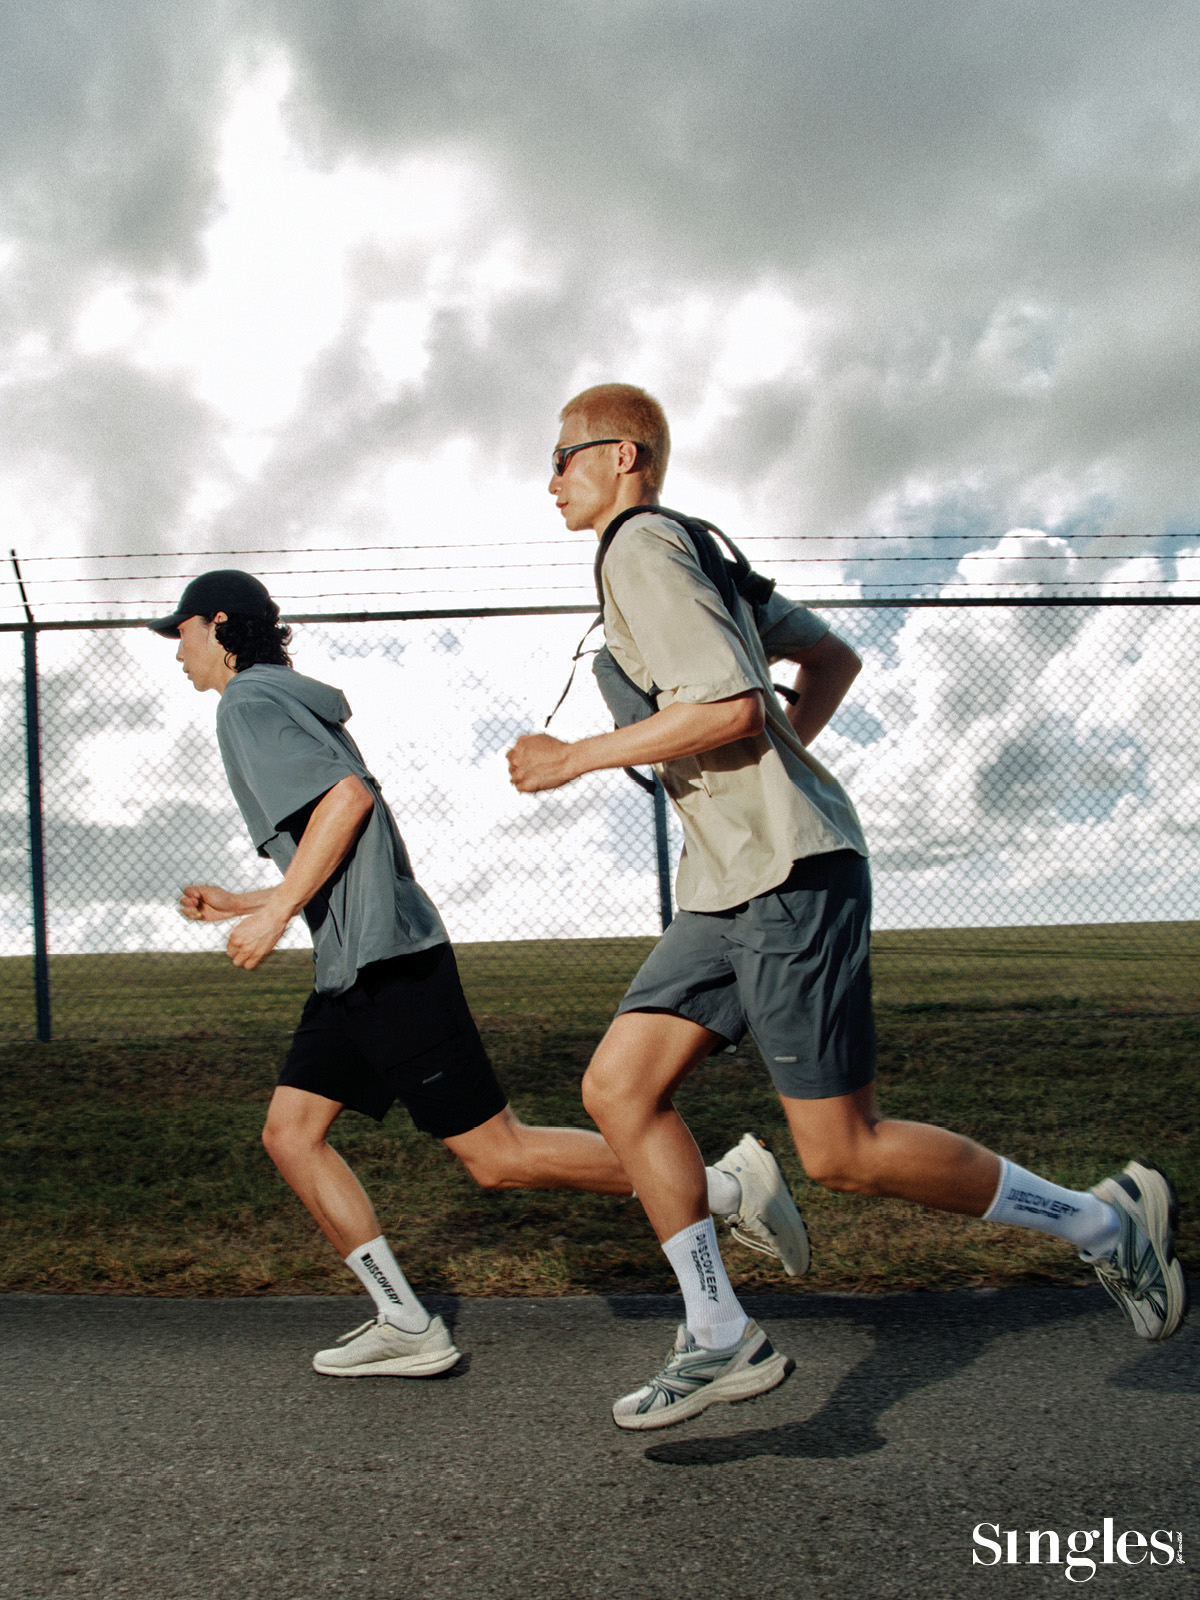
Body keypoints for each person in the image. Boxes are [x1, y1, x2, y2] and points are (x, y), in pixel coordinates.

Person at [506, 382, 1188, 1431]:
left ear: (623, 455)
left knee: (842, 1151)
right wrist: (776, 769)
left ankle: (1106, 1223)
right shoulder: (700, 551)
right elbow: (829, 660)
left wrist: (576, 757)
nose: (549, 479)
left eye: (562, 456)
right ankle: (720, 1333)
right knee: (619, 1088)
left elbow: (735, 707)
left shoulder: (640, 546)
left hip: (787, 876)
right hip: (726, 883)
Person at [150, 569, 808, 1379]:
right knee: (290, 1134)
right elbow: (343, 848)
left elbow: (347, 803)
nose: (177, 651)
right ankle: (405, 1322)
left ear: (219, 624)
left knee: (499, 1156)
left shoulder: (246, 703)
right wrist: (245, 901)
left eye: (181, 632)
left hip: (388, 965)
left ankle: (726, 1188)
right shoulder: (283, 699)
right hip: (352, 965)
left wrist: (277, 910)